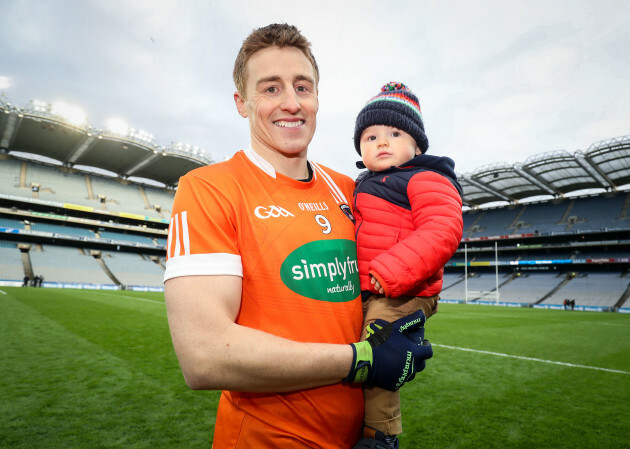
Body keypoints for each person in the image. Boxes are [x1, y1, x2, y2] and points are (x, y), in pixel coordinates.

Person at [163, 25, 433, 449]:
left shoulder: (352, 188)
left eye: (302, 87)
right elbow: (204, 355)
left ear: (317, 98)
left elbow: (413, 256)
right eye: (270, 88)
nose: (291, 102)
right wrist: (362, 360)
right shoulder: (208, 188)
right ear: (242, 103)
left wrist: (406, 317)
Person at [352, 82, 464, 448]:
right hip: (370, 290)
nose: (381, 142)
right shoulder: (364, 185)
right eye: (370, 137)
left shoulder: (425, 177)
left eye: (394, 133)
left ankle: (381, 435)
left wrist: (391, 273)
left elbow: (443, 230)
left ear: (416, 145)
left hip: (405, 289)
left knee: (377, 348)